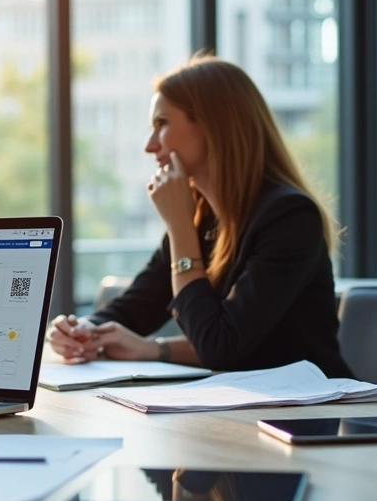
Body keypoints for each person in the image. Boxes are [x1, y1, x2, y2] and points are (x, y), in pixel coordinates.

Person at [48, 55, 352, 378]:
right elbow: (134, 308)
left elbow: (219, 345)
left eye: (161, 124)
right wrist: (79, 331)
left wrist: (179, 228)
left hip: (312, 412)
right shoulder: (202, 217)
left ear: (211, 125)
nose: (149, 146)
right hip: (241, 408)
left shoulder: (289, 217)